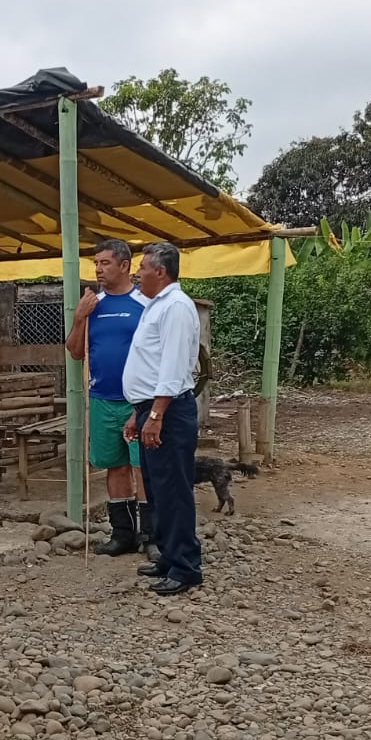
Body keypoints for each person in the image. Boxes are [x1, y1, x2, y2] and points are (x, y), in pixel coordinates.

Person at [121, 241, 203, 595]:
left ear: (160, 271)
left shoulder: (176, 307)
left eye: (142, 267)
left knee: (173, 490)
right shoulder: (157, 304)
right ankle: (169, 556)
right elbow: (151, 365)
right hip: (150, 409)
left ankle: (186, 567)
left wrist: (156, 414)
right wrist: (139, 413)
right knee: (157, 489)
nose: (137, 273)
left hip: (167, 411)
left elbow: (172, 366)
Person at [64, 238, 154, 557]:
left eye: (105, 263)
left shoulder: (145, 303)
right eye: (96, 263)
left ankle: (150, 535)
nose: (98, 269)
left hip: (137, 401)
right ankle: (122, 533)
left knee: (142, 467)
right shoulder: (94, 304)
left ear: (124, 265)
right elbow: (76, 351)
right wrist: (79, 317)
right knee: (114, 466)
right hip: (102, 398)